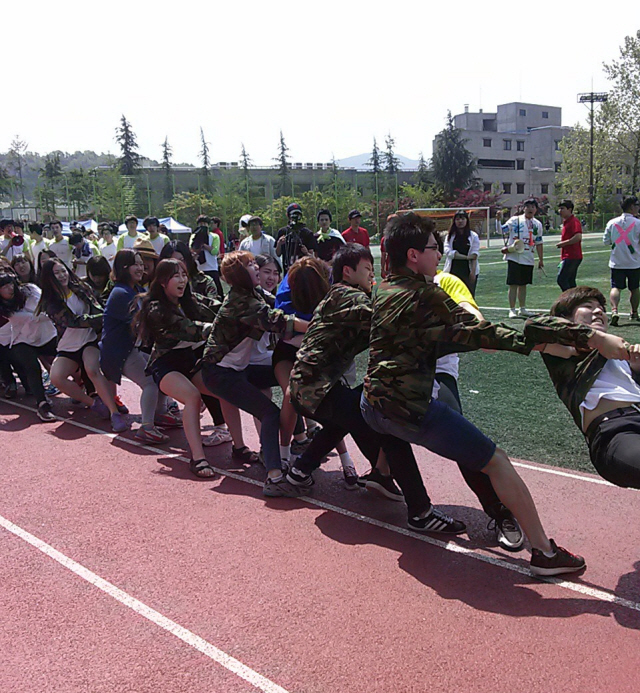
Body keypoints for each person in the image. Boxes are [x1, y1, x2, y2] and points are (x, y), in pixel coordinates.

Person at [360, 212, 627, 576]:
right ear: (412, 255)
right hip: (405, 408)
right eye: (432, 248)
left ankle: (417, 508)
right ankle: (544, 552)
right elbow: (487, 334)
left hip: (371, 404)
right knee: (496, 461)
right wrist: (584, 336)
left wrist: (545, 346)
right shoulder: (427, 295)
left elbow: (435, 340)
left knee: (409, 438)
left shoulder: (383, 289)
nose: (439, 254)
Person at [200, 251, 310, 497]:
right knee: (269, 412)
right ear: (240, 275)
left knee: (287, 376)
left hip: (240, 370)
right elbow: (277, 320)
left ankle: (297, 437)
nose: (257, 269)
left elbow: (279, 304)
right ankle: (274, 475)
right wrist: (314, 326)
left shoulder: (254, 294)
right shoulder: (241, 301)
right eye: (251, 266)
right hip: (220, 373)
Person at [526, 286, 640, 490]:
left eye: (601, 308)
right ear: (566, 318)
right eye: (588, 307)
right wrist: (597, 339)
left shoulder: (622, 354)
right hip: (617, 431)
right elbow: (534, 324)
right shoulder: (565, 351)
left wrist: (638, 369)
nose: (598, 311)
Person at [132, 258, 223, 477]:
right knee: (193, 397)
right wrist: (227, 326)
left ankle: (239, 446)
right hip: (165, 364)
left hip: (190, 361)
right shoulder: (155, 308)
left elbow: (220, 308)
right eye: (176, 276)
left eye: (184, 275)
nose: (182, 280)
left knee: (225, 387)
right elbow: (190, 329)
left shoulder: (190, 300)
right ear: (163, 281)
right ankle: (198, 458)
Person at [36, 257, 128, 432]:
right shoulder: (51, 302)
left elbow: (97, 308)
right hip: (68, 345)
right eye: (56, 273)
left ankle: (114, 412)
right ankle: (94, 403)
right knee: (57, 377)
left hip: (89, 340)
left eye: (63, 270)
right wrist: (103, 318)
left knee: (92, 369)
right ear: (49, 278)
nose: (62, 275)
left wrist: (104, 317)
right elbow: (74, 321)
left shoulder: (81, 288)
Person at [101, 250, 179, 444]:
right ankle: (147, 427)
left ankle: (159, 414)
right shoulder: (121, 293)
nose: (141, 267)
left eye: (141, 263)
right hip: (120, 352)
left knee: (159, 372)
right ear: (123, 268)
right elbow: (142, 322)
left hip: (130, 348)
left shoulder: (133, 288)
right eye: (135, 264)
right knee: (150, 383)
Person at [0, 272, 57, 421]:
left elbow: (44, 310)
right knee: (32, 367)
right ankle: (42, 404)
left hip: (46, 335)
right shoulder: (5, 309)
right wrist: (39, 316)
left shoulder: (30, 290)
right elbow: (35, 317)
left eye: (10, 284)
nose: (9, 288)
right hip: (23, 339)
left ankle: (89, 392)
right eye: (4, 287)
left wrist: (42, 315)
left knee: (69, 357)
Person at [500, 199, 544, 318]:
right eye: (528, 206)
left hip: (528, 256)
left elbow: (539, 242)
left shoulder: (537, 224)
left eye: (533, 207)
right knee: (513, 283)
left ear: (536, 209)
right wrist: (499, 220)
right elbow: (503, 230)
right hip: (515, 256)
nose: (530, 209)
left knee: (523, 284)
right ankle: (512, 309)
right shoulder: (515, 220)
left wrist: (540, 259)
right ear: (523, 208)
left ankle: (522, 308)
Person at [603, 195, 640, 325]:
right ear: (631, 207)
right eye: (637, 205)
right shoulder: (638, 223)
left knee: (616, 287)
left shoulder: (612, 222)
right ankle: (634, 312)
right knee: (634, 288)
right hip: (634, 262)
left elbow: (606, 241)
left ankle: (614, 310)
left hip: (616, 261)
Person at [442, 210, 480, 295]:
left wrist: (473, 272)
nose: (460, 221)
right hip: (453, 270)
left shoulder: (473, 236)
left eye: (462, 219)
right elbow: (448, 252)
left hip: (468, 270)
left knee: (469, 295)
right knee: (453, 295)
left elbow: (474, 254)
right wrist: (466, 257)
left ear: (467, 220)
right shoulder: (450, 236)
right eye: (458, 219)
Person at [275, 203, 318, 273]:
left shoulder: (307, 233)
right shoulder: (283, 231)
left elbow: (312, 257)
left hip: (303, 272)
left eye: (297, 215)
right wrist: (279, 244)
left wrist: (306, 252)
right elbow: (278, 253)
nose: (295, 218)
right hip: (288, 271)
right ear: (288, 215)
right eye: (293, 215)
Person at [191, 217, 223, 296]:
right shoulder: (193, 237)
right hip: (199, 269)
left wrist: (204, 245)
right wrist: (198, 242)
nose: (202, 225)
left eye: (204, 224)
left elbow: (214, 251)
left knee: (217, 292)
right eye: (200, 224)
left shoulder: (214, 236)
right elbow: (192, 250)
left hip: (211, 268)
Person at [556, 199, 583, 292]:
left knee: (562, 280)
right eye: (559, 209)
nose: (560, 211)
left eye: (562, 208)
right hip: (569, 256)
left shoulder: (574, 221)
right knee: (570, 281)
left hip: (572, 256)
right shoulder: (566, 222)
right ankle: (575, 301)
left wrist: (564, 243)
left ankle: (570, 300)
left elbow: (578, 236)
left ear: (570, 209)